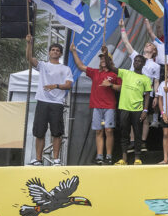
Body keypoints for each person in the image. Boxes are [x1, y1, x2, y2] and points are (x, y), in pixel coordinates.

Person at [26, 34, 73, 166]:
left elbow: (69, 85)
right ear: (49, 52)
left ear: (61, 54)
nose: (55, 52)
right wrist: (29, 44)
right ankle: (38, 159)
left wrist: (56, 86)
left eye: (57, 50)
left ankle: (56, 159)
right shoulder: (43, 65)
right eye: (53, 50)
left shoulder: (65, 69)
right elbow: (29, 58)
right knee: (39, 131)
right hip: (42, 101)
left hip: (57, 103)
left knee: (57, 132)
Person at [69, 44, 119, 165]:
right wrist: (74, 52)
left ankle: (109, 156)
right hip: (97, 106)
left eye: (105, 58)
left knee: (109, 130)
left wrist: (111, 85)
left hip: (109, 106)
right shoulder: (95, 72)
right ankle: (100, 156)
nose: (102, 60)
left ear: (110, 61)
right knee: (98, 131)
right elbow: (81, 66)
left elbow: (120, 88)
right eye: (101, 59)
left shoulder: (115, 74)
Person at [119, 19, 160, 153]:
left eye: (150, 45)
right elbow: (126, 42)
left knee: (145, 118)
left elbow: (156, 82)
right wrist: (123, 28)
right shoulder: (136, 56)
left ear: (154, 50)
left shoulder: (155, 65)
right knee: (131, 118)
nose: (147, 45)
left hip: (146, 94)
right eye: (147, 44)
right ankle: (132, 142)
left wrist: (156, 96)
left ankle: (142, 142)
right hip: (131, 92)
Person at [105, 52, 152, 165]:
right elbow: (110, 67)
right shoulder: (125, 73)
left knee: (137, 133)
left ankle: (137, 158)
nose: (137, 63)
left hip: (137, 109)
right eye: (135, 60)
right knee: (124, 133)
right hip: (124, 108)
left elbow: (147, 95)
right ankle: (124, 158)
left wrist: (145, 110)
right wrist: (105, 53)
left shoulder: (146, 79)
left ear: (143, 64)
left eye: (140, 61)